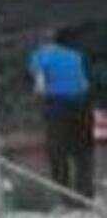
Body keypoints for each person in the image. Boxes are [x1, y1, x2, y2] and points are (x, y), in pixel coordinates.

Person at [28, 28, 95, 198]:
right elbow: (84, 84)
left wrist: (38, 100)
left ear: (39, 42)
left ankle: (64, 197)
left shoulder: (39, 56)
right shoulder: (74, 56)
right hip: (82, 104)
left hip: (58, 105)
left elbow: (40, 87)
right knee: (83, 152)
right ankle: (86, 196)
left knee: (57, 152)